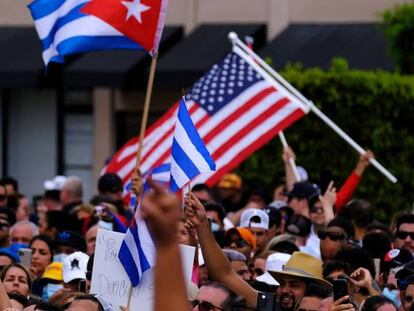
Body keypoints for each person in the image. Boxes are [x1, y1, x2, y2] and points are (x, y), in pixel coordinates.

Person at [184, 192, 332, 310]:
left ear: (314, 291)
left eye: (294, 285)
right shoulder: (271, 305)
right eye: (282, 284)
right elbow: (224, 275)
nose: (285, 290)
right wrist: (202, 224)